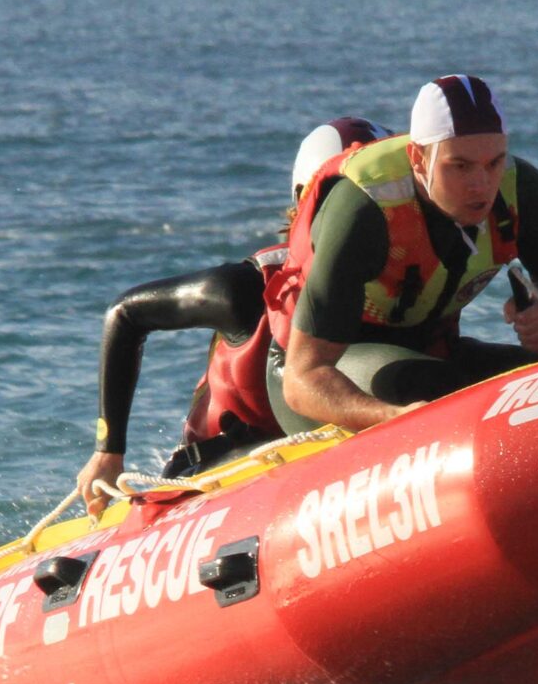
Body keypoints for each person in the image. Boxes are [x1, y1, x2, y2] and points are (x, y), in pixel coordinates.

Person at [74, 117, 385, 513]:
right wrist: (108, 449)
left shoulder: (412, 286)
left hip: (330, 456)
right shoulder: (245, 291)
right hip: (221, 468)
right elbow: (125, 315)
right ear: (308, 205)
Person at [274, 75, 538, 434]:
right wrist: (388, 418)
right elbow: (302, 379)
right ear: (418, 159)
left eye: (494, 162)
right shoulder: (365, 210)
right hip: (318, 371)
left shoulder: (522, 189)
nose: (481, 185)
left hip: (433, 349)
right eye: (460, 166)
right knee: (430, 385)